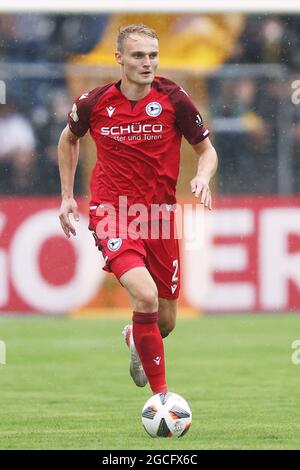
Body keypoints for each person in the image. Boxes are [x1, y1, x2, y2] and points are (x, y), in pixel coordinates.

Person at [58, 24, 218, 395]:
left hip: (160, 219)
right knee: (144, 295)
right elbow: (68, 139)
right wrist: (68, 195)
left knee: (164, 322)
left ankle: (136, 335)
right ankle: (162, 399)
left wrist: (203, 178)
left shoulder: (175, 99)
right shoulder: (93, 102)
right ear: (119, 59)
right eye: (138, 56)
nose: (147, 63)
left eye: (152, 56)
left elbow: (206, 150)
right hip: (113, 213)